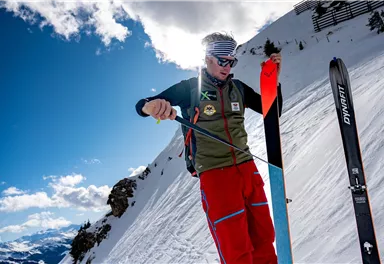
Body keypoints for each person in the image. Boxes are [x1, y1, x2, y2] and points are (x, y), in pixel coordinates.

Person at [135, 32, 283, 264]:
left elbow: (272, 112)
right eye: (222, 60)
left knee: (264, 238)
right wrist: (152, 106)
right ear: (208, 58)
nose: (227, 66)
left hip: (247, 169)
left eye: (231, 61)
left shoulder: (239, 88)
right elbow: (143, 105)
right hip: (216, 174)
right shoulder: (190, 89)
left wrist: (273, 81)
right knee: (237, 250)